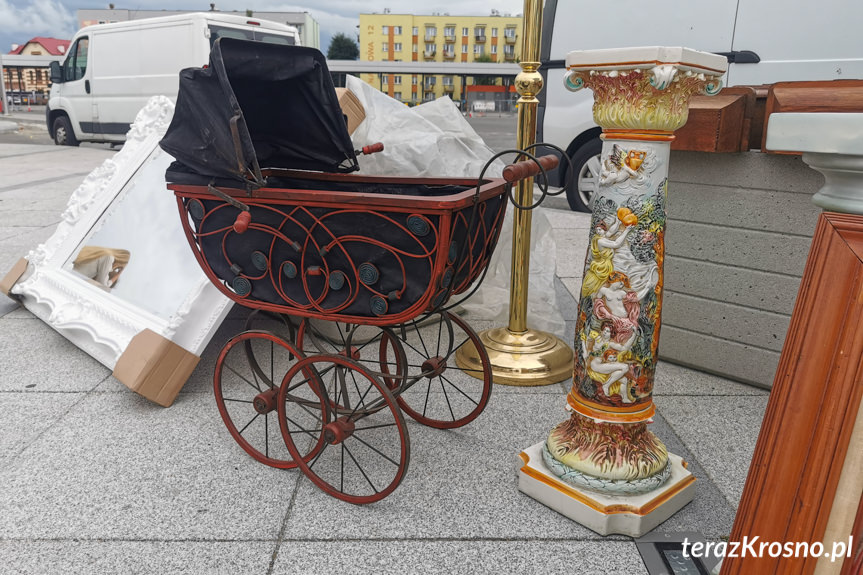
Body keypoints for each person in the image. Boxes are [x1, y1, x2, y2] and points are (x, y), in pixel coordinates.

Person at [580, 216, 635, 297]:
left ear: (604, 230)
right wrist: (626, 231)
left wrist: (617, 222)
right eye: (597, 230)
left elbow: (610, 232)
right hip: (603, 266)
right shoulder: (600, 240)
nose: (598, 232)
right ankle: (600, 296)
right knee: (600, 282)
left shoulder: (601, 237)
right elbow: (616, 244)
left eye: (600, 230)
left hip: (605, 263)